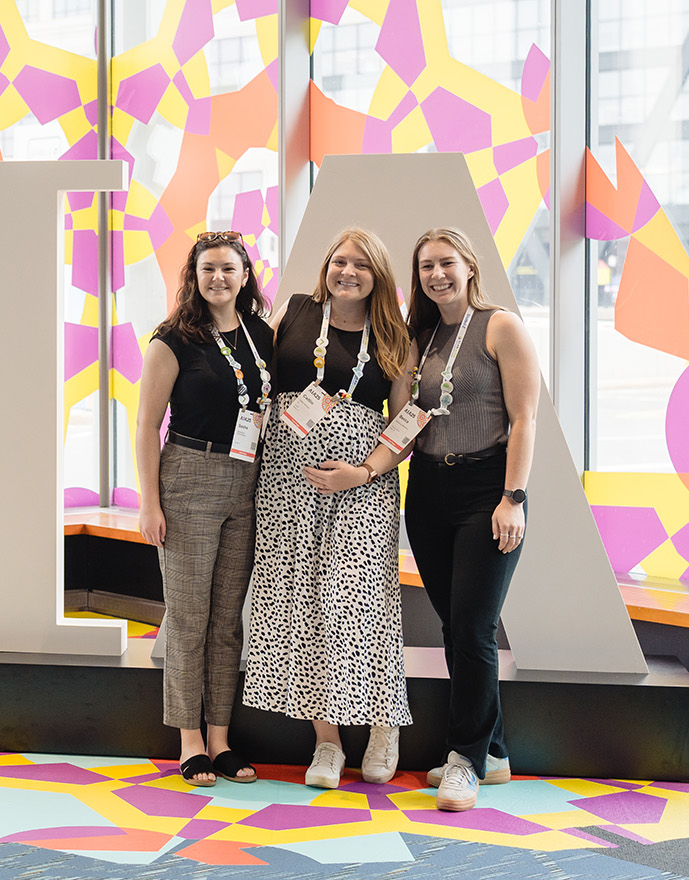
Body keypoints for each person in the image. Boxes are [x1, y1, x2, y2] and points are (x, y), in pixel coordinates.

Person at [240, 228, 416, 789]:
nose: (347, 271)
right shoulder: (295, 314)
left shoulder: (395, 337)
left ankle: (385, 724)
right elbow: (259, 381)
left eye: (362, 265)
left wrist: (362, 472)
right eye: (339, 260)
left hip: (361, 486)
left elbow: (406, 423)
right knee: (302, 609)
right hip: (287, 486)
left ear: (378, 276)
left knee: (361, 604)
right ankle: (327, 743)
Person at [402, 226, 539, 812]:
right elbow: (408, 415)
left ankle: (464, 760)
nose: (437, 274)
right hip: (429, 489)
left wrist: (514, 497)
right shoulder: (422, 336)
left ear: (469, 266)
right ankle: (496, 752)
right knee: (455, 628)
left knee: (476, 626)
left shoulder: (500, 325)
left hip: (487, 488)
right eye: (427, 265)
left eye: (446, 263)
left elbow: (524, 417)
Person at [135, 231, 273, 787]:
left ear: (245, 276)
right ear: (194, 277)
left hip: (248, 479)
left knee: (226, 622)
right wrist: (150, 503)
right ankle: (188, 740)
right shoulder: (173, 339)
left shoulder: (260, 334)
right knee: (188, 618)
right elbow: (147, 426)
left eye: (229, 269)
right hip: (190, 476)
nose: (219, 278)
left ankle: (220, 738)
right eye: (208, 269)